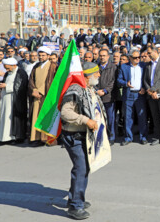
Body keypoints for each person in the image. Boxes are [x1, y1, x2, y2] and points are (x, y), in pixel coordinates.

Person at [60, 62, 103, 220]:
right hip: (73, 136)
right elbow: (65, 112)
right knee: (81, 168)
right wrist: (86, 120)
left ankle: (75, 199)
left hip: (83, 135)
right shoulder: (75, 89)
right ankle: (75, 206)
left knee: (83, 168)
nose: (99, 75)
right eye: (96, 73)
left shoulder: (88, 89)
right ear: (86, 76)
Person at [28, 46, 57, 146]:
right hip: (36, 96)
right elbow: (31, 80)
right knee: (36, 117)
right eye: (39, 55)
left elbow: (55, 81)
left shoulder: (53, 66)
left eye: (43, 55)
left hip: (47, 96)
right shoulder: (36, 66)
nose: (41, 57)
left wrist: (43, 92)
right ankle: (36, 138)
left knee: (46, 117)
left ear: (48, 56)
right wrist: (34, 90)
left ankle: (46, 139)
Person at [117, 50, 148, 145]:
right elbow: (119, 80)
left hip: (140, 94)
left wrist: (144, 88)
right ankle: (128, 137)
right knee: (128, 116)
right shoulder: (124, 66)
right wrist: (125, 83)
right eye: (135, 57)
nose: (138, 59)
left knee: (142, 116)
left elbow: (147, 79)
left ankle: (143, 137)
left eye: (139, 57)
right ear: (130, 58)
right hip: (129, 94)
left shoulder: (143, 66)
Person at [0, 58, 28, 144]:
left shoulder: (21, 73)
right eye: (5, 68)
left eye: (8, 68)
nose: (7, 70)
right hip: (5, 99)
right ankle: (5, 137)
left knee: (13, 119)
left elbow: (21, 86)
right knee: (5, 118)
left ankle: (15, 137)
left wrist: (6, 86)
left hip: (15, 100)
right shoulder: (7, 73)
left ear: (14, 65)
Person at [97, 49, 117, 142]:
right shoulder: (96, 67)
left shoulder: (113, 67)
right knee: (99, 118)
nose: (102, 57)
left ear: (108, 56)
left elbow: (113, 82)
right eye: (100, 55)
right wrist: (97, 90)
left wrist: (105, 91)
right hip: (98, 96)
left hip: (109, 97)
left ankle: (111, 136)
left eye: (104, 55)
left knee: (110, 118)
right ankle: (101, 136)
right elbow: (93, 79)